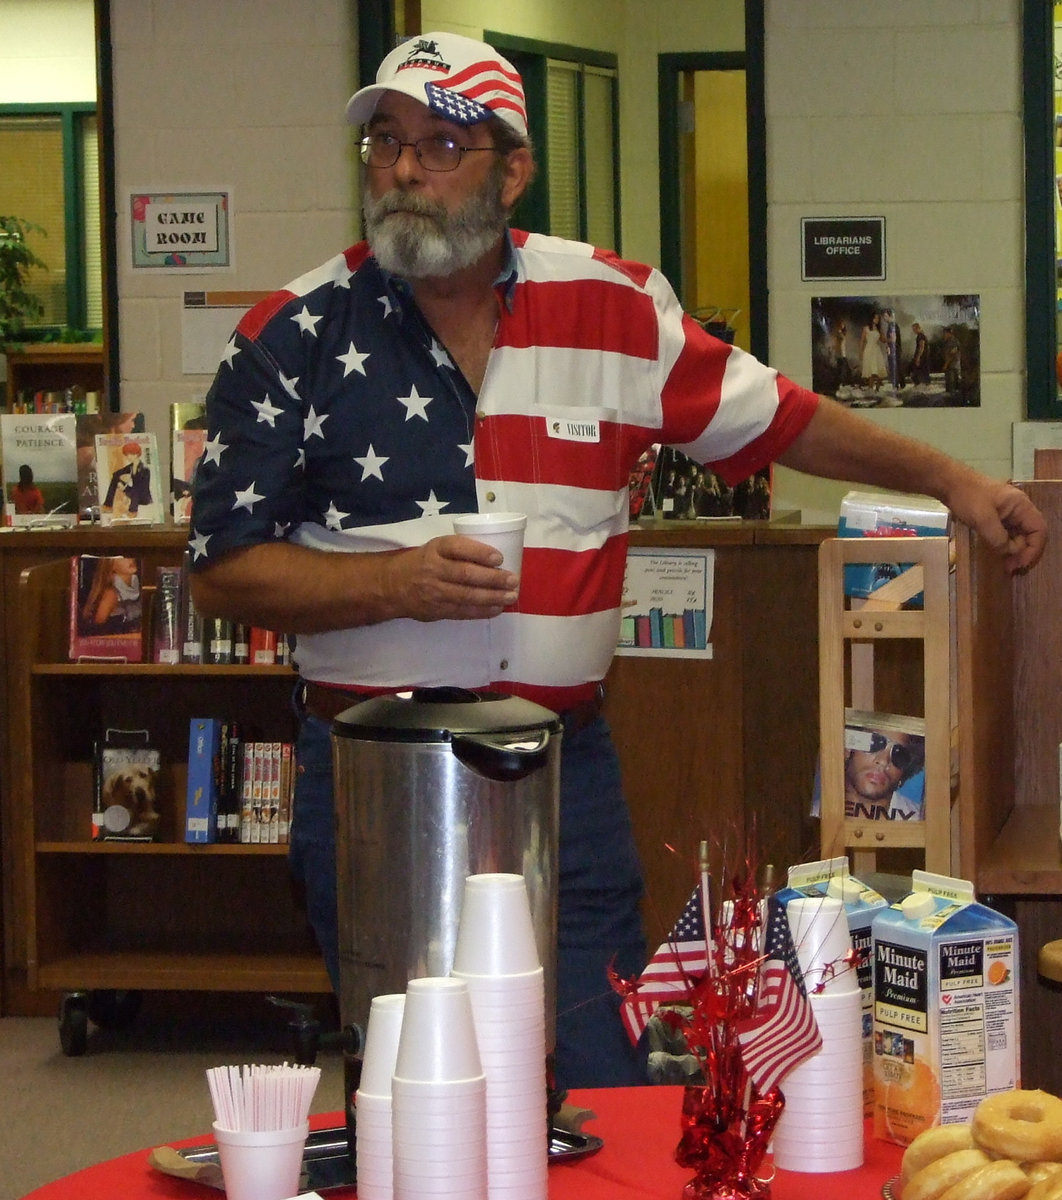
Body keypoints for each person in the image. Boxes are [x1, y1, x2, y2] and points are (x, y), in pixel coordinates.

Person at [186, 31, 1046, 1089]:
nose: (403, 171)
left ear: (512, 169)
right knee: (416, 1079)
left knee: (599, 1062)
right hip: (375, 773)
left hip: (562, 768)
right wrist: (390, 581)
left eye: (440, 145)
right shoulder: (292, 333)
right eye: (386, 143)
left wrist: (954, 482)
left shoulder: (614, 305)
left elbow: (782, 421)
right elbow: (221, 568)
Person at [844, 727, 926, 820]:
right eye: (874, 743)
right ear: (848, 748)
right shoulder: (824, 805)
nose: (884, 761)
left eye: (899, 754)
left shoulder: (920, 823)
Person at [80, 555, 141, 631]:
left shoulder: (139, 586)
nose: (130, 559)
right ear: (111, 565)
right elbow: (97, 630)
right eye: (122, 558)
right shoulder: (111, 594)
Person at [103, 441, 152, 515]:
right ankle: (108, 505)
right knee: (115, 479)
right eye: (127, 454)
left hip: (143, 497)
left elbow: (142, 488)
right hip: (133, 492)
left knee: (136, 490)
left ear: (136, 454)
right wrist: (120, 482)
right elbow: (116, 474)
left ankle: (133, 511)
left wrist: (124, 489)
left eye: (131, 454)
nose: (128, 457)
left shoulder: (145, 470)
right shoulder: (131, 467)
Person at [859, 310, 888, 388]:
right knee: (871, 372)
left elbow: (883, 340)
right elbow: (862, 341)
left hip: (876, 350)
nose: (877, 320)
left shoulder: (879, 329)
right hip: (869, 350)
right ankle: (870, 389)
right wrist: (861, 352)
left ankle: (877, 389)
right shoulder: (866, 328)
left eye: (878, 318)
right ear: (871, 318)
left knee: (879, 371)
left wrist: (889, 338)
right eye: (875, 318)